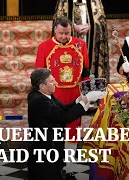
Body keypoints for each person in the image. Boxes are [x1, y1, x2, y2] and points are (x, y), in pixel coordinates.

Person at [35, 17, 89, 179]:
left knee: (73, 129)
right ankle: (54, 165)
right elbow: (39, 75)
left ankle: (70, 166)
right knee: (53, 130)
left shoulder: (81, 44)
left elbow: (85, 71)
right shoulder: (44, 47)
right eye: (61, 33)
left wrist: (85, 93)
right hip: (53, 95)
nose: (64, 36)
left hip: (74, 93)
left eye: (67, 33)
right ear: (54, 30)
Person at [27, 68, 105, 180]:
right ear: (42, 86)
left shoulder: (45, 95)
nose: (56, 83)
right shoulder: (39, 101)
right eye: (51, 81)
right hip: (45, 152)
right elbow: (65, 117)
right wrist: (87, 100)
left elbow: (64, 108)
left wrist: (81, 99)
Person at [52, 0, 109, 81]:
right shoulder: (64, 1)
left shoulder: (95, 1)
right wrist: (72, 26)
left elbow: (101, 21)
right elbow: (59, 19)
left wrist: (91, 26)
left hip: (90, 40)